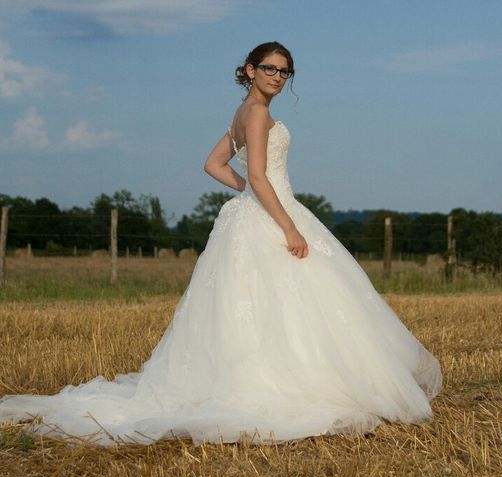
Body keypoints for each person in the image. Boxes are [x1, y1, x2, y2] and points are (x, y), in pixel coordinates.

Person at [0, 41, 442, 446]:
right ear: (250, 70)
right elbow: (256, 176)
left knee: (269, 304)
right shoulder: (257, 113)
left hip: (256, 211)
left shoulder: (243, 110)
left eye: (285, 72)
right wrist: (287, 225)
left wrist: (252, 195)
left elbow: (213, 164)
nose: (278, 77)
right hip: (272, 213)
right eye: (269, 68)